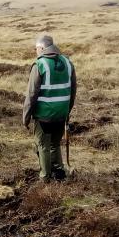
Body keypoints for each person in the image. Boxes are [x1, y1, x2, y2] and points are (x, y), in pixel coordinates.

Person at [22, 34, 76, 182]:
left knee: (42, 145)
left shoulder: (40, 64)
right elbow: (73, 91)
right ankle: (59, 173)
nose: (35, 51)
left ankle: (45, 178)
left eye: (36, 48)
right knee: (55, 143)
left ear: (41, 48)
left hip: (44, 115)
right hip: (61, 113)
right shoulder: (68, 63)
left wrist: (26, 118)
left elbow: (31, 94)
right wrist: (66, 112)